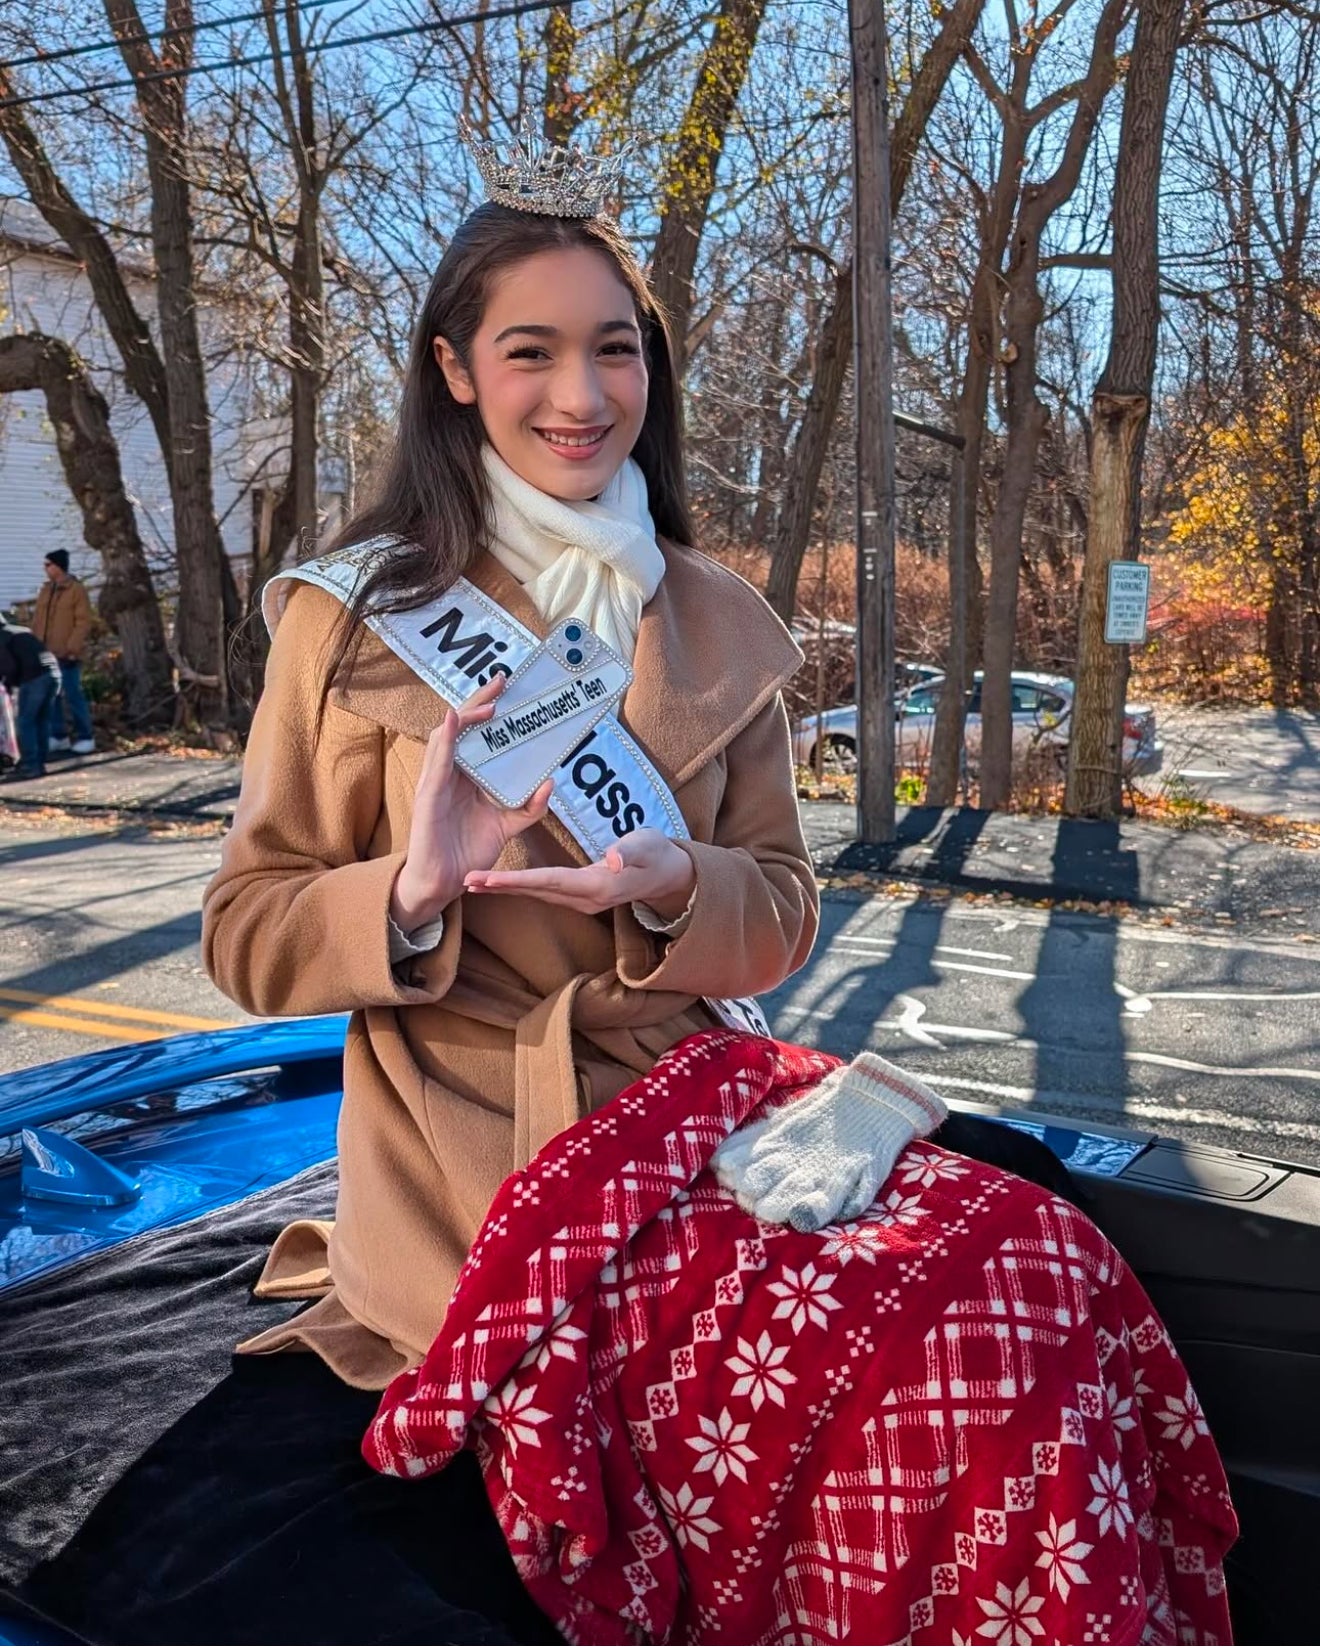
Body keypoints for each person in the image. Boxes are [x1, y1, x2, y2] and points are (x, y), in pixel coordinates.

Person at [33, 549, 95, 755]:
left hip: (66, 653)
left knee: (73, 693)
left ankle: (86, 736)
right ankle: (58, 735)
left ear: (58, 566)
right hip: (46, 653)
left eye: (48, 564)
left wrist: (72, 648)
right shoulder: (45, 590)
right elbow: (38, 621)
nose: (45, 568)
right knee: (52, 696)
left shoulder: (76, 590)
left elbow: (83, 621)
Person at [0, 618, 62, 780]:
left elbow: (9, 667)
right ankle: (39, 763)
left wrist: (7, 684)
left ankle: (30, 765)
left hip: (34, 677)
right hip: (53, 673)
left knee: (26, 722)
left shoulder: (2, 636)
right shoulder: (21, 630)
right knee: (41, 720)